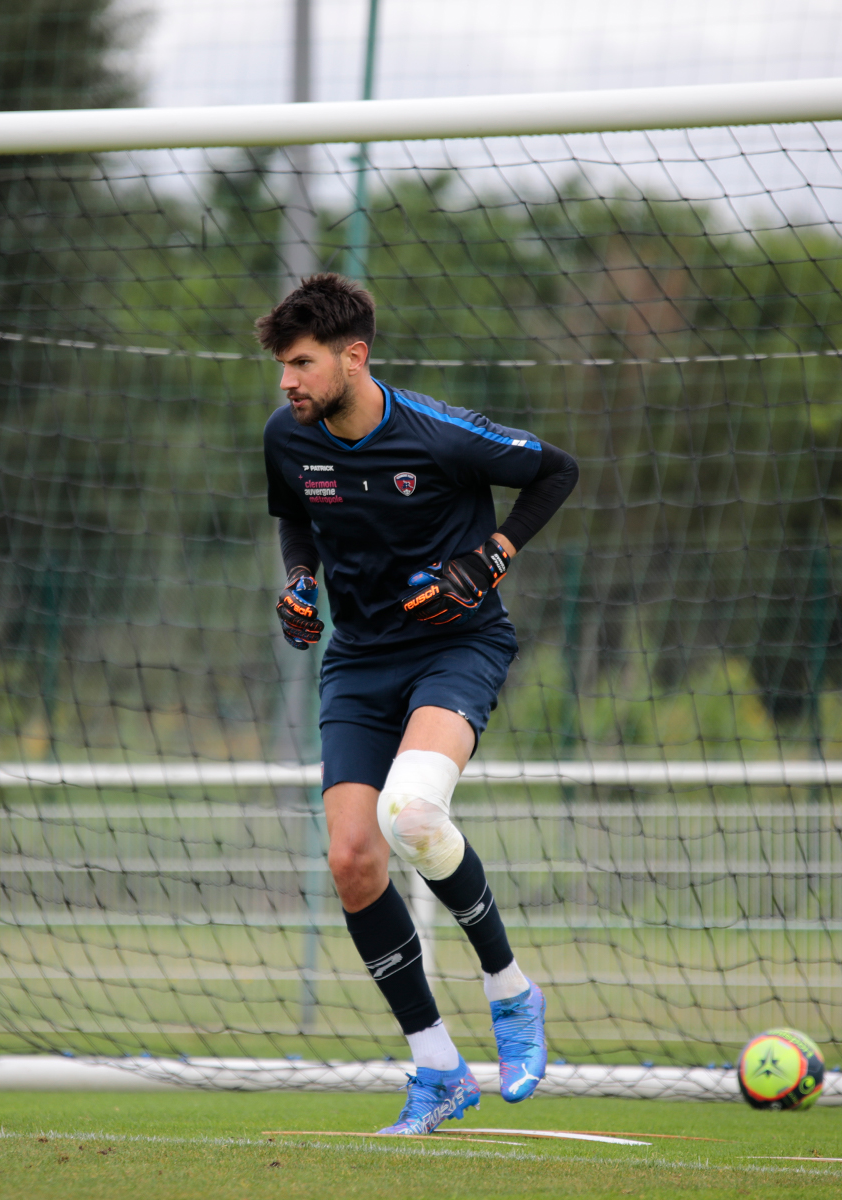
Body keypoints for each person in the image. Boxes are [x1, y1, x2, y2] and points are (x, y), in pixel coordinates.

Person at [258, 273, 580, 1135]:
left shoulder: (440, 434)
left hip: (456, 645)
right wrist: (298, 582)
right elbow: (295, 517)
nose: (286, 383)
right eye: (282, 367)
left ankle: (510, 991)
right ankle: (437, 1067)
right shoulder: (286, 439)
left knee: (413, 812)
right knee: (353, 860)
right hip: (357, 662)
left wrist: (497, 552)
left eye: (300, 363)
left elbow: (557, 470)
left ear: (353, 357)